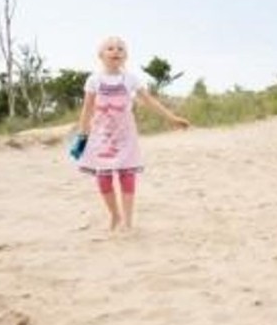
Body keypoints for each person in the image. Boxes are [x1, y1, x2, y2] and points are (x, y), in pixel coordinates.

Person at [74, 36, 190, 230]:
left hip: (125, 136)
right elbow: (87, 109)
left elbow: (149, 101)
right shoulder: (94, 80)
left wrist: (172, 118)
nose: (115, 51)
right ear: (101, 55)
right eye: (110, 48)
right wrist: (82, 135)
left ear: (125, 55)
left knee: (127, 176)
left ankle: (128, 221)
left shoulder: (131, 79)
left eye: (120, 49)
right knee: (103, 178)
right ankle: (114, 215)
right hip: (102, 137)